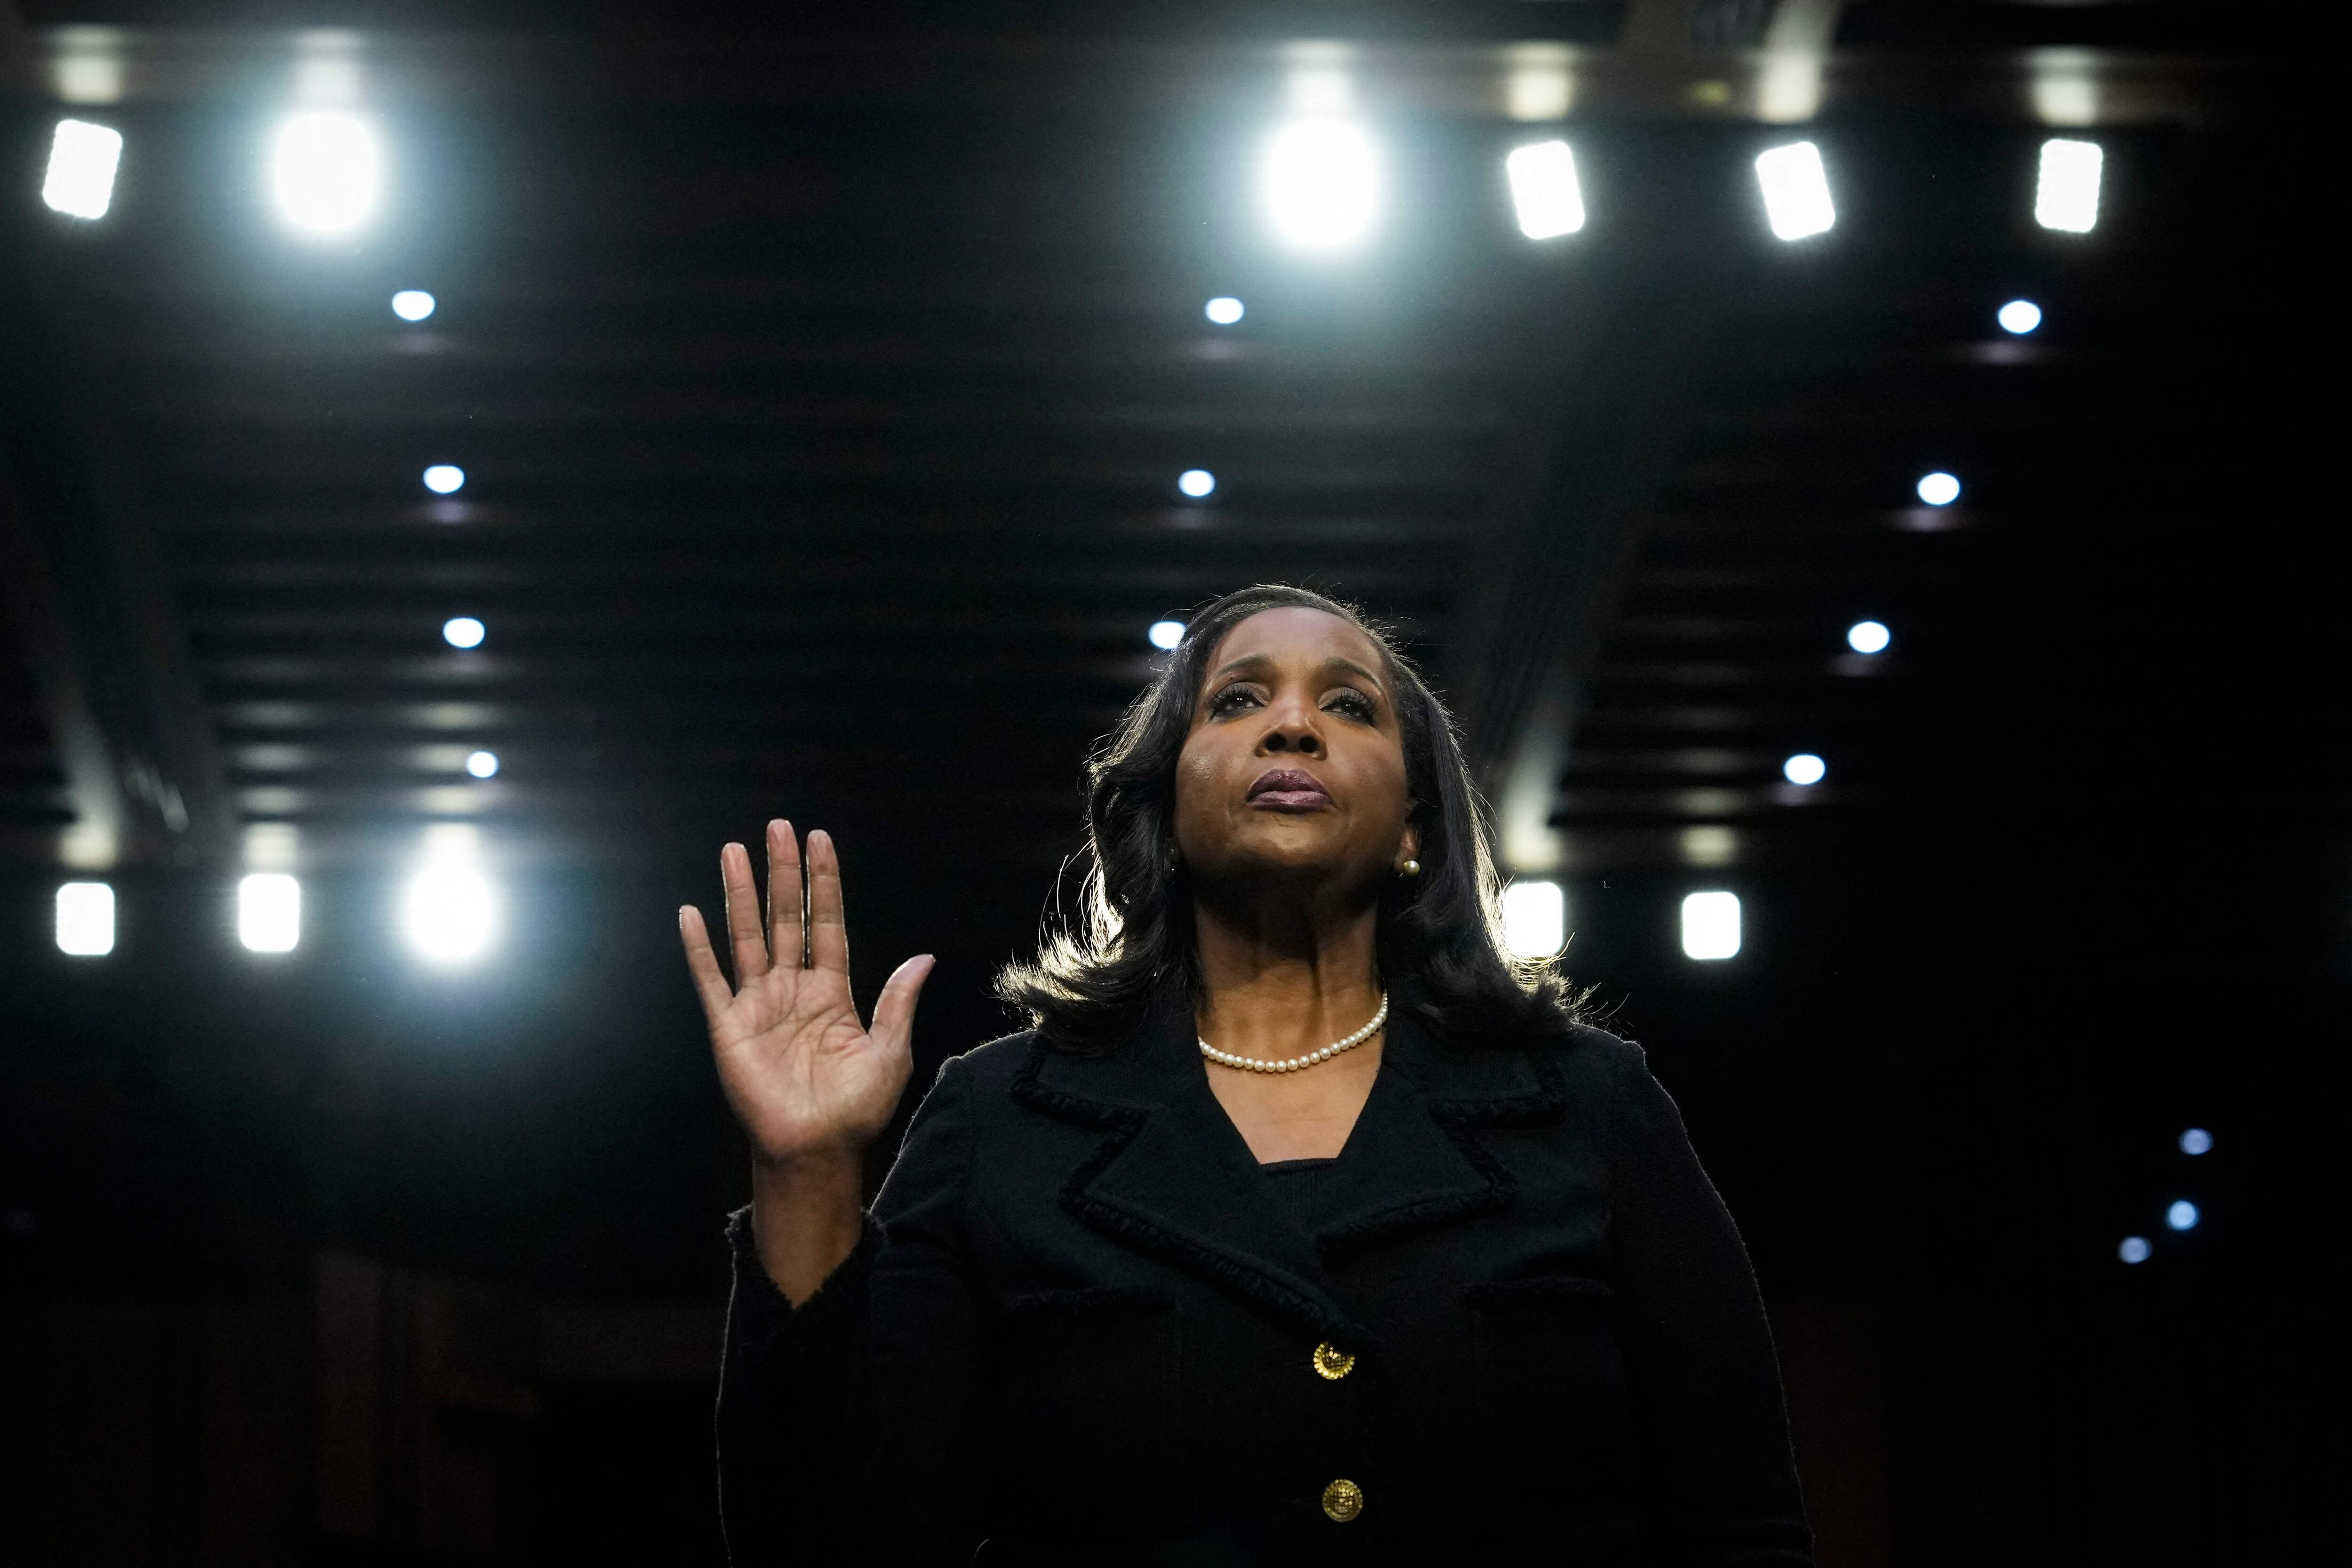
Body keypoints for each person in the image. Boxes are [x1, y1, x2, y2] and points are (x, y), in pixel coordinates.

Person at [680, 584, 1812, 1565]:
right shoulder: (998, 1117)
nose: (1294, 725)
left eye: (1349, 705)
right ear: (1166, 809)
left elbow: (1741, 1522)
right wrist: (806, 1170)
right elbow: (838, 1547)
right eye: (1236, 700)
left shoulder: (1588, 1102)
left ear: (1414, 827)